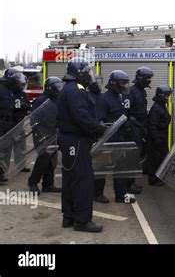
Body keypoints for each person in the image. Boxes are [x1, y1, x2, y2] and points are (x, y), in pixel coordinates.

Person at [57, 57, 107, 233]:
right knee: (83, 181)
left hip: (70, 140)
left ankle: (69, 217)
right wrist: (98, 128)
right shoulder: (77, 90)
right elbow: (81, 116)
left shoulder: (70, 88)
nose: (89, 75)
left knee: (71, 179)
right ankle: (82, 221)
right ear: (79, 73)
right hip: (76, 140)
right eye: (87, 72)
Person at [94, 70, 136, 204]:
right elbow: (99, 120)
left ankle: (120, 194)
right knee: (102, 166)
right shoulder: (104, 99)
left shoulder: (120, 97)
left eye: (125, 83)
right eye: (122, 83)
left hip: (119, 137)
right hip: (107, 139)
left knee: (120, 167)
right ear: (114, 83)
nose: (125, 86)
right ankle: (97, 194)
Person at [28, 77, 63, 194]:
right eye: (56, 87)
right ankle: (33, 182)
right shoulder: (41, 100)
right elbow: (33, 118)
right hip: (41, 133)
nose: (58, 89)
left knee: (51, 159)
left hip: (53, 133)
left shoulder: (57, 100)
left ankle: (48, 184)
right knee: (43, 158)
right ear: (50, 88)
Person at [123, 67, 154, 194]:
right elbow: (125, 111)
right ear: (141, 78)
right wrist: (129, 127)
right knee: (132, 156)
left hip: (139, 125)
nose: (149, 81)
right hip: (133, 126)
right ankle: (128, 184)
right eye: (148, 78)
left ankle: (131, 182)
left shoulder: (142, 92)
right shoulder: (131, 92)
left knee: (137, 155)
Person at [144, 85, 172, 187]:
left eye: (168, 96)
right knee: (154, 159)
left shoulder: (161, 106)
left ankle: (159, 177)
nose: (167, 98)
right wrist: (156, 138)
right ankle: (153, 179)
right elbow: (152, 125)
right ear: (160, 95)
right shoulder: (156, 108)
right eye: (165, 96)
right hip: (156, 139)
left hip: (161, 137)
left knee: (161, 158)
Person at [0, 68, 24, 185]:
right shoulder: (1, 88)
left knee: (6, 150)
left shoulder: (12, 89)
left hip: (9, 124)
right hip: (2, 124)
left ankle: (2, 173)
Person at [11, 74, 32, 172]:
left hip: (19, 124)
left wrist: (26, 106)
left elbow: (27, 105)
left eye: (23, 84)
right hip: (9, 124)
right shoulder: (9, 93)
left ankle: (21, 165)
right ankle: (3, 169)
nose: (22, 87)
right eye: (20, 84)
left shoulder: (22, 94)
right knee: (6, 148)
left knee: (20, 146)